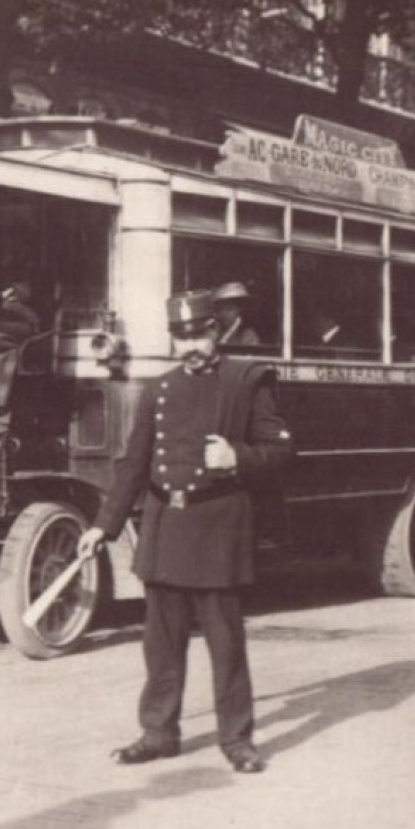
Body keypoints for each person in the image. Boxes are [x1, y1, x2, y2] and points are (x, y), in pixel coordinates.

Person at [78, 287, 293, 774]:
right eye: (181, 337)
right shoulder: (159, 388)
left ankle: (237, 739)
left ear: (218, 331)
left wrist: (237, 456)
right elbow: (134, 465)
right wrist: (102, 527)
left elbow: (282, 451)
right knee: (161, 644)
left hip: (218, 528)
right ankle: (158, 733)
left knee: (226, 646)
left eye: (200, 334)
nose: (191, 346)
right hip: (166, 527)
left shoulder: (247, 380)